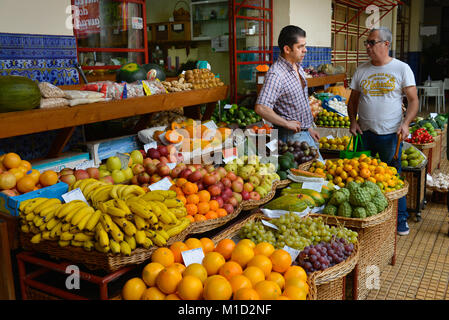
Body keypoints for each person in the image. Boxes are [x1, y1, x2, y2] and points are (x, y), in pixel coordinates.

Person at [347, 27, 419, 236]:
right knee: (362, 179)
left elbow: (413, 101)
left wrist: (406, 124)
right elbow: (352, 101)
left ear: (386, 44)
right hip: (365, 134)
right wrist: (353, 122)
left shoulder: (401, 68)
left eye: (372, 42)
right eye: (367, 43)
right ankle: (369, 221)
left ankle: (400, 221)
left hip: (391, 135)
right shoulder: (361, 70)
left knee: (393, 179)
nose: (367, 47)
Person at [255, 25, 321, 153]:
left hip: (304, 134)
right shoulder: (277, 74)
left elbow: (298, 105)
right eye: (300, 47)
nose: (305, 50)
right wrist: (286, 123)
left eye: (304, 45)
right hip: (290, 138)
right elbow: (261, 107)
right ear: (287, 49)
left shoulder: (298, 67)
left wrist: (308, 129)